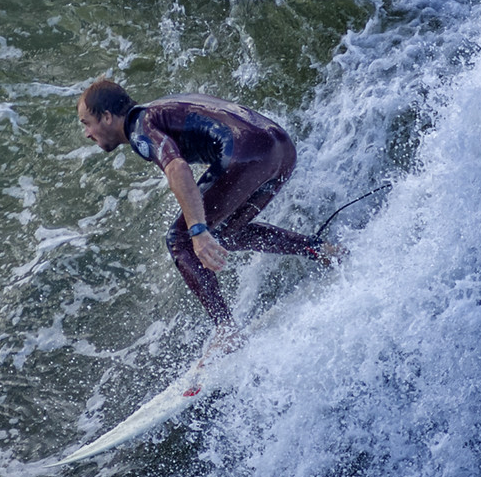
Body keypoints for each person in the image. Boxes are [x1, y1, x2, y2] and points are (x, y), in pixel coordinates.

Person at [77, 77, 339, 330]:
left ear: (108, 117)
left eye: (86, 123)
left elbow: (177, 168)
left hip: (248, 154)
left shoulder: (140, 129)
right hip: (280, 147)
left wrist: (198, 230)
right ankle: (322, 250)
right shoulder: (158, 109)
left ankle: (226, 330)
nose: (87, 133)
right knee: (224, 232)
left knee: (179, 239)